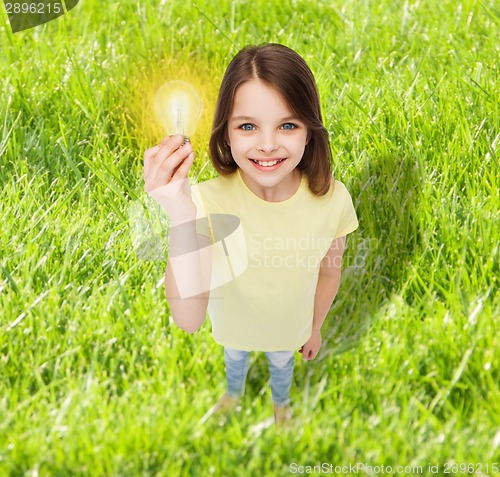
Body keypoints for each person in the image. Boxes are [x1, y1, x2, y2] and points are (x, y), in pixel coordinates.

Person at [143, 43, 358, 426]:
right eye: (247, 126)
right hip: (233, 332)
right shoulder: (202, 203)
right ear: (225, 134)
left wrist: (315, 328)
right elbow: (189, 319)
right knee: (235, 362)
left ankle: (281, 407)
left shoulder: (334, 200)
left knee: (281, 368)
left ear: (310, 132)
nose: (268, 144)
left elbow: (329, 271)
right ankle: (233, 395)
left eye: (288, 125)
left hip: (287, 332)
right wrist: (180, 214)